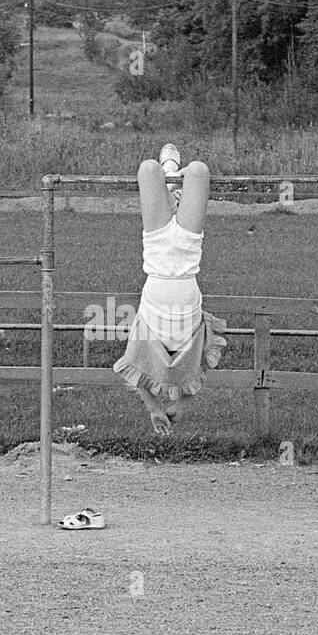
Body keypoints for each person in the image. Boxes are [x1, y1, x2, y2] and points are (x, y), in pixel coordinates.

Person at [113, 144, 227, 434]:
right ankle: (174, 184)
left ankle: (170, 178)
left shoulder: (145, 334)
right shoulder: (195, 344)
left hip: (158, 250)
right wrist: (180, 407)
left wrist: (154, 409)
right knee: (200, 170)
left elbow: (133, 369)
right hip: (189, 251)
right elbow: (200, 372)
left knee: (148, 168)